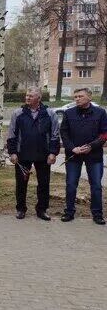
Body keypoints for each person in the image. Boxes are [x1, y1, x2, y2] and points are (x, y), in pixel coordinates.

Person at [6, 87, 59, 221]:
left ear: (39, 98)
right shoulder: (18, 113)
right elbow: (12, 134)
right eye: (27, 95)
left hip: (44, 155)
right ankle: (20, 209)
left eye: (31, 96)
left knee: (44, 183)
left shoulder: (49, 113)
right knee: (21, 183)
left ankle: (42, 209)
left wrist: (53, 152)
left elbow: (55, 135)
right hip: (22, 154)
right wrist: (12, 152)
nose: (27, 98)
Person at [59, 88, 107, 224]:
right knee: (71, 184)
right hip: (74, 155)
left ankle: (97, 214)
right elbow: (64, 133)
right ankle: (69, 212)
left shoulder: (100, 113)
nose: (77, 99)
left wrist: (92, 146)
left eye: (80, 96)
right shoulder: (68, 113)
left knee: (96, 185)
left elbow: (104, 134)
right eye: (75, 97)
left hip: (94, 155)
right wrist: (72, 148)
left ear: (89, 97)